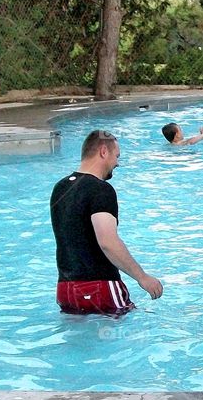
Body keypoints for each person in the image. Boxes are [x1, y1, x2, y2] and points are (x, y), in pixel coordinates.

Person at [50, 130, 163, 315]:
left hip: (66, 291)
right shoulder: (101, 190)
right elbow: (107, 242)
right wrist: (142, 278)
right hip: (99, 288)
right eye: (116, 156)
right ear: (103, 151)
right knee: (135, 333)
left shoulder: (60, 187)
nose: (117, 163)